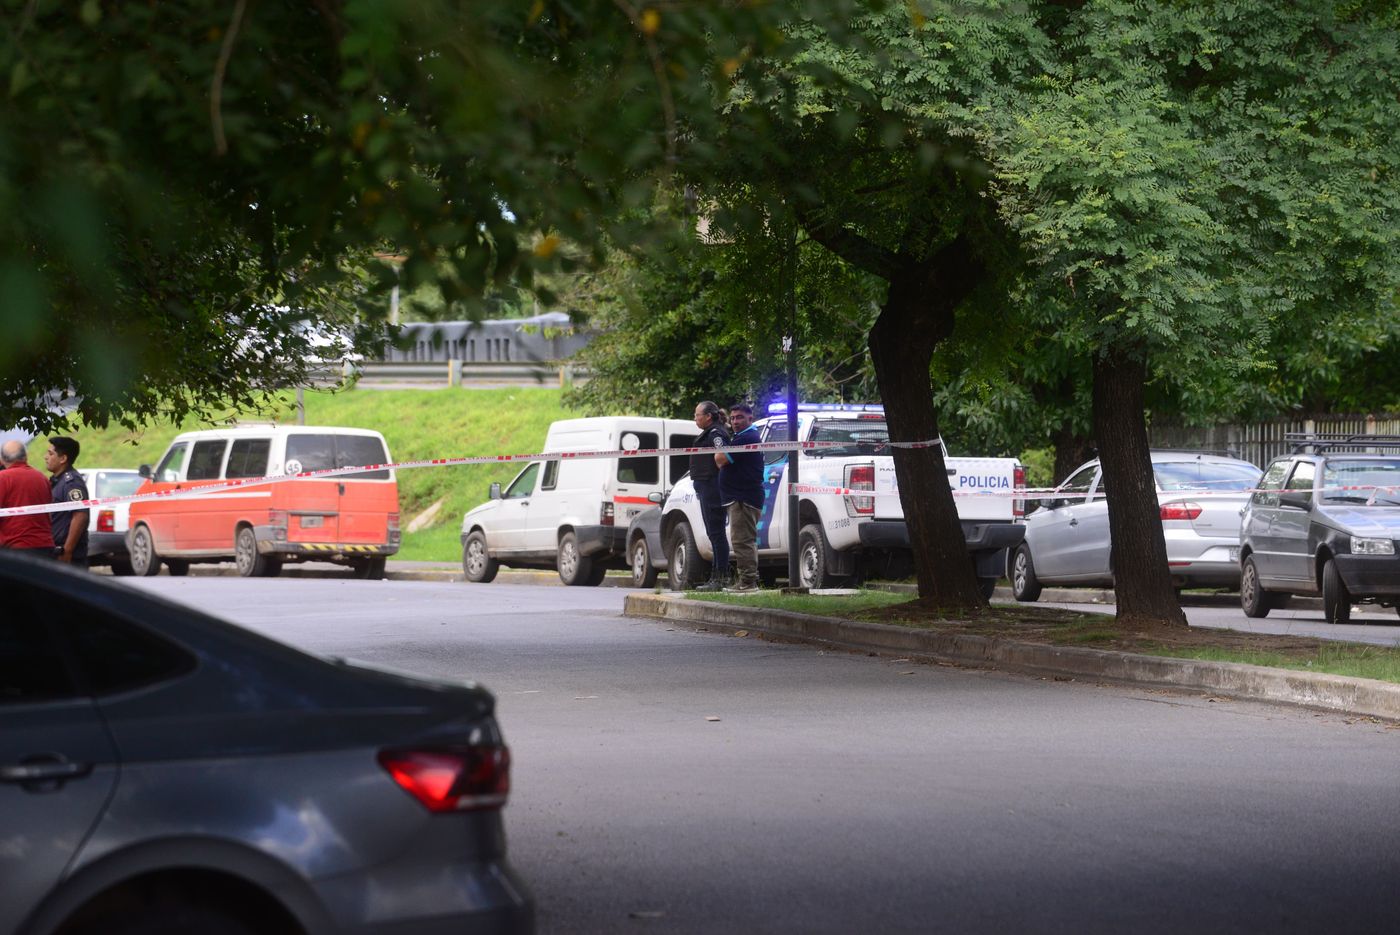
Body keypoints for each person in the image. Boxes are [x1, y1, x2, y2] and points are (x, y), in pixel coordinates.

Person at [715, 402, 764, 592]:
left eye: (740, 417)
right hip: (741, 496)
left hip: (743, 498)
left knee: (742, 540)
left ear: (750, 418)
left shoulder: (746, 438)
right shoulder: (742, 437)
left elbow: (720, 459)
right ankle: (747, 580)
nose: (735, 421)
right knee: (743, 540)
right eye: (733, 418)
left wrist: (719, 438)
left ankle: (748, 582)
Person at [689, 401, 731, 591]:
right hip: (707, 489)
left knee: (716, 533)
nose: (695, 418)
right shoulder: (710, 432)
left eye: (697, 414)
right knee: (713, 534)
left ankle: (721, 578)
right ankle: (717, 575)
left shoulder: (715, 433)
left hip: (712, 490)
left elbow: (721, 456)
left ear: (708, 416)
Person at [0, 439, 57, 556]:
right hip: (45, 547)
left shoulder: (2, 479)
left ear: (2, 459)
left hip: (14, 549)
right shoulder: (42, 478)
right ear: (26, 456)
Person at [45, 436, 90, 567]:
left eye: (50, 453)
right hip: (56, 550)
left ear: (63, 459)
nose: (45, 457)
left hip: (68, 555)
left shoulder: (72, 483)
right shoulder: (57, 480)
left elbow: (80, 515)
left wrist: (67, 550)